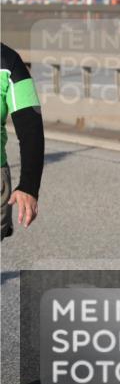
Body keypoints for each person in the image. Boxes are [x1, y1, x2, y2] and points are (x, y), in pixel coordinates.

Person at [1, 43, 44, 241]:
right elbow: (31, 129)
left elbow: (31, 128)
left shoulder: (8, 62)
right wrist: (29, 185)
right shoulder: (9, 60)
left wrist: (29, 185)